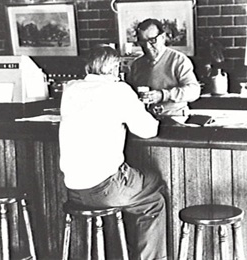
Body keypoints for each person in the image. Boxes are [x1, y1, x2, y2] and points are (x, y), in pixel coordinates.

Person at [59, 45, 167, 260]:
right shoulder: (119, 90)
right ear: (115, 67)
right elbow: (148, 130)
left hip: (74, 190)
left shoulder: (70, 88)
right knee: (153, 196)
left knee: (123, 194)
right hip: (106, 189)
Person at [127, 18, 201, 116]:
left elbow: (194, 91)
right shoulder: (136, 64)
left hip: (175, 118)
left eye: (152, 40)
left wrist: (163, 95)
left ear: (162, 38)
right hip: (146, 120)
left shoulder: (178, 60)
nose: (147, 47)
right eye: (142, 42)